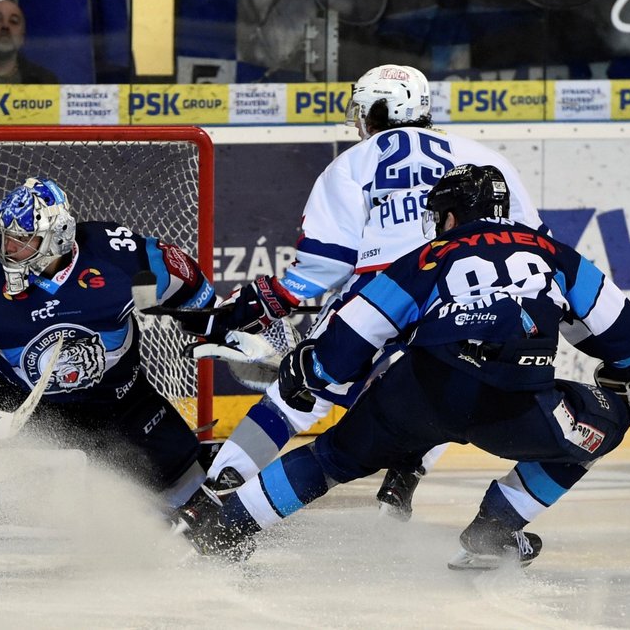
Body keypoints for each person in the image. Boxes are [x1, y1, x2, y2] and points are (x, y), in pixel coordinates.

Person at [174, 164, 630, 568]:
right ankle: (495, 531)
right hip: (515, 405)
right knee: (608, 422)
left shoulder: (425, 256)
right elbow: (627, 335)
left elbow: (356, 335)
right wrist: (626, 377)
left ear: (450, 214)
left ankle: (224, 532)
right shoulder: (554, 253)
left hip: (420, 395)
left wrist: (311, 371)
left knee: (330, 459)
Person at [184, 64, 547, 519]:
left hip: (382, 293)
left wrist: (262, 300)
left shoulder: (351, 163)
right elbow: (534, 244)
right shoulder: (486, 160)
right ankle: (407, 472)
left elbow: (323, 268)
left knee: (299, 393)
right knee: (444, 384)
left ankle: (213, 495)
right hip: (463, 293)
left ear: (378, 109)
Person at [0, 177, 214, 510]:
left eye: (22, 240)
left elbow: (187, 281)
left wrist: (215, 324)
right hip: (14, 407)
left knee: (189, 484)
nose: (8, 249)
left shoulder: (117, 260)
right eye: (5, 237)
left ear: (57, 237)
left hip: (118, 404)